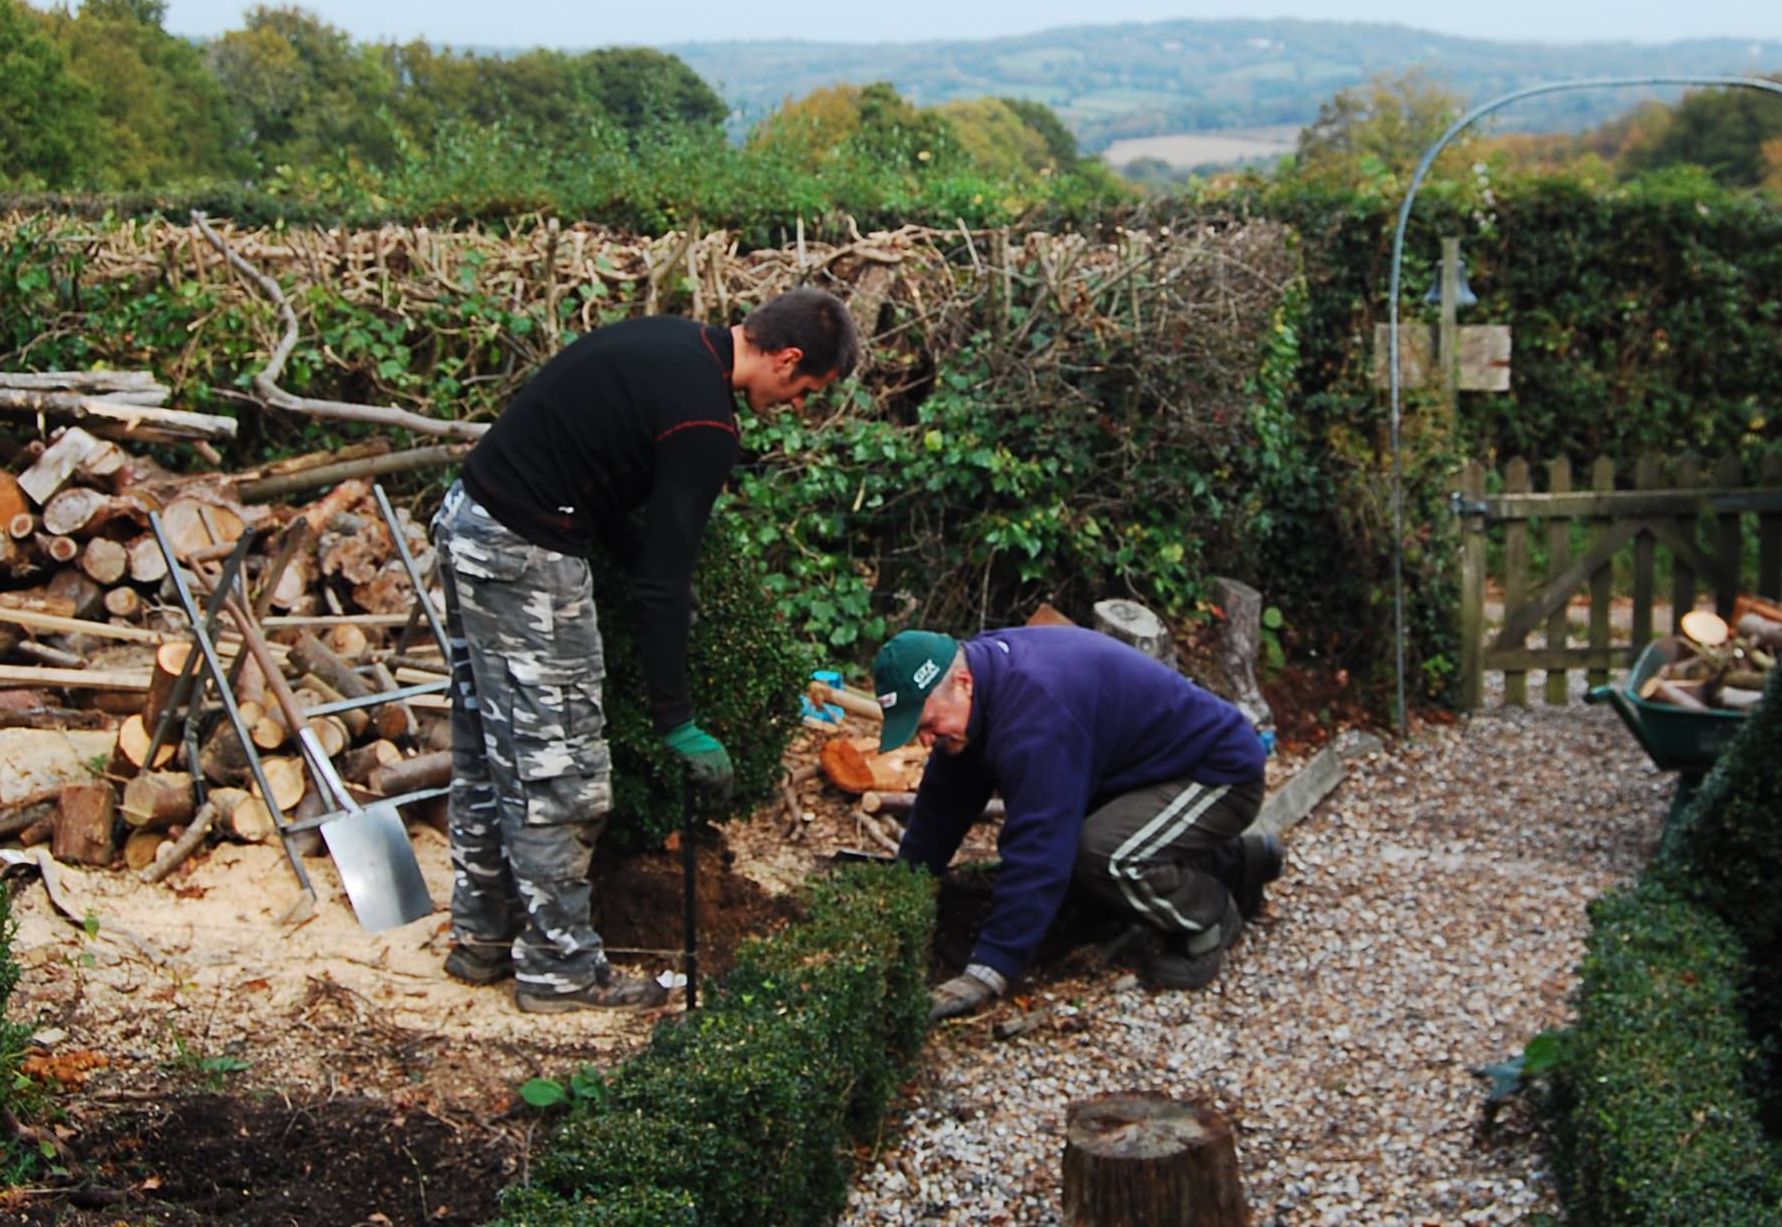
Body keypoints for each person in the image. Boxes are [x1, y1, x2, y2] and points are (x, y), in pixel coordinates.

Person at [434, 289, 861, 1012]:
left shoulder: (669, 342)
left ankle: (482, 941)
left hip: (471, 522)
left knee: (487, 752)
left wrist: (637, 559)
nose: (794, 407)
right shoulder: (706, 422)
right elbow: (664, 585)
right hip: (525, 559)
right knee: (560, 771)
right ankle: (559, 972)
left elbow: (592, 478)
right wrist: (677, 719)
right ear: (786, 359)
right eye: (804, 392)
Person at [873, 624, 1285, 1021]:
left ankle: (1208, 914)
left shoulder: (1035, 717)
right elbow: (941, 806)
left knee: (1102, 855)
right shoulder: (983, 686)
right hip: (1146, 777)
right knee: (1089, 861)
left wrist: (989, 969)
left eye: (926, 724)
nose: (925, 740)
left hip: (1219, 777)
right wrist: (900, 894)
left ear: (962, 683)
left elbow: (1040, 850)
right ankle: (1236, 862)